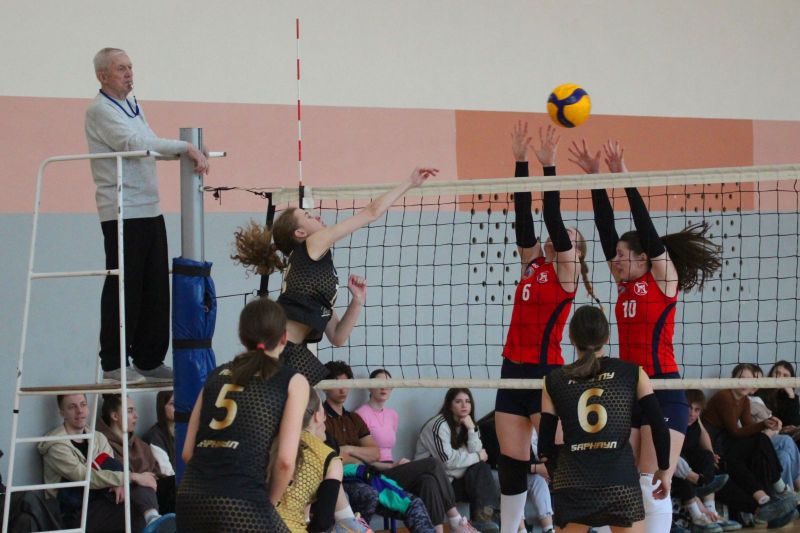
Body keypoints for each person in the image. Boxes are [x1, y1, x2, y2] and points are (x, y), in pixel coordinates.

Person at [572, 139, 722, 531]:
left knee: (653, 482)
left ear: (643, 258)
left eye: (623, 255)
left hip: (662, 389)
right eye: (615, 256)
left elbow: (647, 229)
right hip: (628, 391)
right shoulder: (624, 284)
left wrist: (623, 176)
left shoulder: (663, 280)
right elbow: (606, 229)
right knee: (627, 482)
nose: (615, 260)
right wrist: (596, 179)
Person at [232, 167, 437, 386]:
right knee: (309, 405)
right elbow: (371, 212)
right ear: (300, 233)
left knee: (310, 406)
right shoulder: (312, 244)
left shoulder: (312, 275)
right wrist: (409, 182)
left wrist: (357, 301)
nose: (317, 216)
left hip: (289, 349)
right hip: (280, 349)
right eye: (308, 216)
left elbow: (338, 336)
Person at [495, 122, 599, 533]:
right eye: (562, 234)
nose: (562, 234)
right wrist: (521, 162)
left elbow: (552, 217)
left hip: (545, 377)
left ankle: (585, 525)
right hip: (511, 371)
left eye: (571, 236)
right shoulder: (534, 263)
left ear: (577, 253)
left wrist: (550, 165)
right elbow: (525, 217)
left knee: (558, 462)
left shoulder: (565, 275)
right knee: (512, 464)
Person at [86, 47, 209, 383]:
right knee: (125, 285)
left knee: (155, 285)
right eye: (121, 68)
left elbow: (150, 144)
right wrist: (184, 147)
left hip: (149, 208)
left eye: (130, 67)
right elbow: (132, 143)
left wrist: (187, 153)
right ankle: (114, 362)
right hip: (122, 210)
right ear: (102, 75)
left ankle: (149, 359)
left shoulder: (132, 105)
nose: (129, 73)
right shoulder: (100, 110)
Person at [176, 298, 309, 532]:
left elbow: (188, 453)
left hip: (190, 498)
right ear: (284, 337)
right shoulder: (293, 381)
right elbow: (285, 462)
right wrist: (268, 505)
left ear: (242, 337)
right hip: (241, 502)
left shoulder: (215, 375)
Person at [539, 305, 672, 532]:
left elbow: (544, 447)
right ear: (608, 338)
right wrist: (664, 470)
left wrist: (558, 476)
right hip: (620, 483)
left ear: (571, 339)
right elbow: (659, 426)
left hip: (573, 483)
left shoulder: (553, 380)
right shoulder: (632, 372)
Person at [355, 369, 481, 533]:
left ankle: (437, 530)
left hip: (393, 468)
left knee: (428, 481)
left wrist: (396, 464)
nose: (384, 388)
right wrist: (391, 466)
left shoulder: (392, 415)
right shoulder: (360, 414)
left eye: (388, 384)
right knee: (432, 464)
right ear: (369, 387)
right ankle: (455, 519)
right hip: (376, 473)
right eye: (379, 383)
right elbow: (362, 458)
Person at [322, 361, 439, 533]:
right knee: (369, 494)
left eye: (346, 384)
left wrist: (348, 449)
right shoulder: (321, 418)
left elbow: (375, 453)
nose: (343, 390)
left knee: (415, 503)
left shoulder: (354, 419)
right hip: (342, 481)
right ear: (325, 387)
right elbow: (332, 457)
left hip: (369, 476)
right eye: (336, 384)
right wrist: (356, 455)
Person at [38, 393, 174, 532]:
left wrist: (121, 482)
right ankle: (153, 520)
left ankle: (153, 518)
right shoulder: (56, 445)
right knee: (135, 495)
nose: (79, 411)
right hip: (73, 511)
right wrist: (130, 477)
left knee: (142, 489)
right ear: (62, 412)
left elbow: (111, 466)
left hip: (101, 499)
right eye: (72, 407)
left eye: (83, 405)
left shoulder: (97, 437)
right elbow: (84, 476)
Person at [701, 364, 796, 524]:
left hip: (727, 444)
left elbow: (749, 428)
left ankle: (772, 501)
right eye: (741, 378)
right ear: (733, 380)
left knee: (760, 442)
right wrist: (763, 424)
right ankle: (777, 491)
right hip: (714, 447)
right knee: (748, 451)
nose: (745, 383)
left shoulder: (744, 400)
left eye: (749, 379)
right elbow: (735, 431)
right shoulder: (724, 397)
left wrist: (767, 424)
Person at [277, 387, 371, 533]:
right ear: (316, 416)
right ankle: (352, 523)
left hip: (256, 521)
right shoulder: (328, 457)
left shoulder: (274, 443)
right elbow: (323, 522)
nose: (326, 417)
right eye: (323, 410)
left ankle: (351, 523)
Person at [416, 388, 501, 532]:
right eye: (458, 402)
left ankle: (485, 522)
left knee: (482, 469)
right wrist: (476, 457)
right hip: (435, 485)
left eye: (467, 401)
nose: (464, 405)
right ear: (449, 405)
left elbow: (478, 459)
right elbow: (448, 462)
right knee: (479, 468)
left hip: (456, 481)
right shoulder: (438, 425)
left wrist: (472, 429)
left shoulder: (469, 425)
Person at [671, 390, 738, 532]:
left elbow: (704, 434)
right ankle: (697, 516)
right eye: (689, 408)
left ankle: (711, 511)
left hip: (690, 463)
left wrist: (711, 455)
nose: (692, 414)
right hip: (676, 466)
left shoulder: (696, 421)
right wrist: (696, 479)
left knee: (708, 456)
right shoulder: (673, 420)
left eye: (697, 410)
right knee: (682, 466)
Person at [477, 410, 554, 533]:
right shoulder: (493, 425)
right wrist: (534, 468)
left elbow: (533, 457)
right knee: (515, 480)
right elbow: (502, 461)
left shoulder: (535, 425)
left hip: (522, 471)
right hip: (497, 472)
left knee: (538, 480)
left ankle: (548, 528)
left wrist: (543, 468)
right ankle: (521, 530)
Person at [97, 394, 175, 514]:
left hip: (153, 489)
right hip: (127, 496)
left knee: (176, 484)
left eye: (134, 410)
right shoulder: (103, 444)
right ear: (115, 416)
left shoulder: (140, 444)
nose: (136, 415)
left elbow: (157, 472)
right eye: (130, 411)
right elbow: (116, 474)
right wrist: (141, 478)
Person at [763, 361, 800, 440]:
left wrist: (791, 396)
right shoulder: (761, 392)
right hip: (769, 433)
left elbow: (794, 424)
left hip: (789, 435)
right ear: (771, 374)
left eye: (785, 375)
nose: (780, 377)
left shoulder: (792, 397)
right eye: (777, 373)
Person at [142, 391, 176, 477]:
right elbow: (167, 472)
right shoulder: (154, 436)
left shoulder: (183, 431)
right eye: (172, 403)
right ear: (162, 407)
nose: (177, 407)